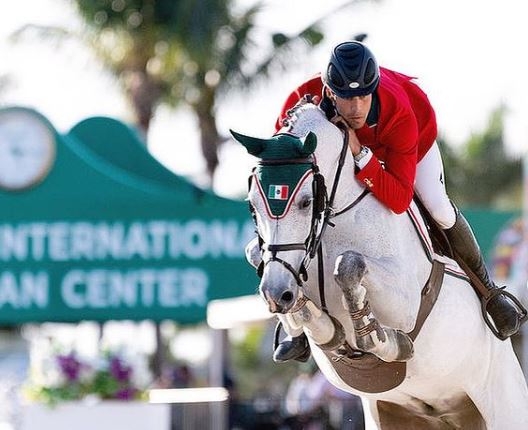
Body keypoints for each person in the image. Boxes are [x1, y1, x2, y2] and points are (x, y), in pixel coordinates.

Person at [272, 40, 526, 363]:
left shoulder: (399, 111)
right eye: (346, 98)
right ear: (328, 91)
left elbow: (399, 198)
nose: (356, 109)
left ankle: (490, 293)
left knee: (438, 208)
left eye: (364, 96)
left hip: (409, 141)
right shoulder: (300, 100)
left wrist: (361, 156)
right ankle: (294, 323)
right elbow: (280, 167)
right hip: (346, 152)